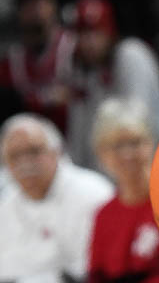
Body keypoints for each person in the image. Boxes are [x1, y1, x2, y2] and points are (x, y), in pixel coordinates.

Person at [86, 97, 159, 283]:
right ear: (101, 154)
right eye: (117, 146)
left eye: (135, 142)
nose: (127, 154)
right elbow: (96, 276)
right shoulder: (104, 215)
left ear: (151, 143)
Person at [64, 0, 159, 170]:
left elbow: (136, 120)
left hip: (152, 162)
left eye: (96, 32)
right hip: (107, 171)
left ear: (110, 32)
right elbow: (78, 134)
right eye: (83, 34)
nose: (89, 42)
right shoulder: (82, 69)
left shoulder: (131, 53)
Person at [0, 112, 114, 282]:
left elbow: (95, 268)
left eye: (34, 151)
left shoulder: (92, 192)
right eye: (14, 156)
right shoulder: (5, 204)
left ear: (56, 151)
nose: (24, 162)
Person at [0, 0, 75, 130]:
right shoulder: (10, 64)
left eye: (38, 3)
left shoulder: (76, 49)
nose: (33, 10)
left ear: (52, 5)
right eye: (25, 5)